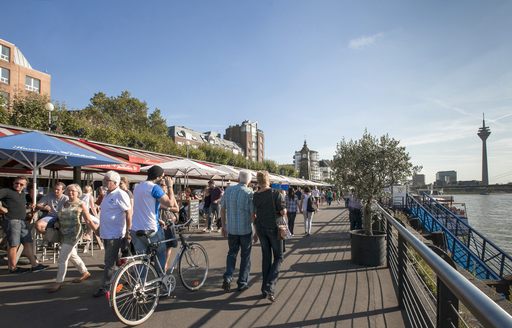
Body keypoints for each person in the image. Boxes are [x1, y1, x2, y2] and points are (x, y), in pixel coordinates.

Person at [130, 165, 179, 273]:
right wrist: (170, 186)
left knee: (142, 259)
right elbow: (170, 203)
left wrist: (157, 219)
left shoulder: (137, 187)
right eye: (162, 177)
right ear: (159, 177)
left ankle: (140, 285)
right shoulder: (154, 188)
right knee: (160, 254)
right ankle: (161, 280)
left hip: (135, 228)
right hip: (151, 229)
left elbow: (145, 207)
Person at [48, 184, 95, 292]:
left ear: (78, 193)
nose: (70, 193)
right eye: (69, 191)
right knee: (72, 255)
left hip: (73, 234)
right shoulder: (64, 203)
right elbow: (59, 217)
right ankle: (85, 272)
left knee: (62, 258)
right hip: (63, 233)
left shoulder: (81, 204)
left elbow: (88, 220)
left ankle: (58, 282)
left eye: (73, 191)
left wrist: (95, 231)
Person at [93, 171, 132, 297]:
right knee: (115, 261)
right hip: (106, 232)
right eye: (104, 180)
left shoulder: (121, 194)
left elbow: (128, 213)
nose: (104, 182)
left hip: (115, 233)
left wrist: (128, 231)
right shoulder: (107, 194)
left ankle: (106, 287)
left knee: (109, 262)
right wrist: (99, 228)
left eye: (107, 180)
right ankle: (126, 280)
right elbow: (103, 211)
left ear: (115, 183)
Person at [0, 176, 48, 273]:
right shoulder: (6, 191)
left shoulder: (22, 194)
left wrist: (30, 206)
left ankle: (34, 265)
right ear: (13, 182)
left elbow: (18, 205)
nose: (18, 185)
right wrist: (2, 210)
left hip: (22, 221)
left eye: (21, 184)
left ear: (25, 186)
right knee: (14, 244)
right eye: (16, 183)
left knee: (27, 242)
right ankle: (12, 268)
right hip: (12, 220)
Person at [253, 171, 286, 302]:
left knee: (266, 257)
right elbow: (283, 212)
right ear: (268, 180)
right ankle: (270, 286)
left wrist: (255, 231)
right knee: (279, 256)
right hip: (274, 227)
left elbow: (255, 213)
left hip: (260, 227)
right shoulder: (275, 193)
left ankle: (264, 289)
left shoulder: (255, 195)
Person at [220, 170, 254, 292]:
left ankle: (228, 277)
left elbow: (222, 209)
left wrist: (223, 226)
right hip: (245, 230)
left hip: (232, 229)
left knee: (232, 254)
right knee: (245, 257)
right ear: (249, 180)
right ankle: (242, 282)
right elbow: (252, 214)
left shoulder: (228, 191)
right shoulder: (250, 193)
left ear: (239, 178)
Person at [157, 181, 180, 272]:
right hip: (159, 223)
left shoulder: (169, 195)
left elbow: (177, 209)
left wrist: (165, 207)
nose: (163, 186)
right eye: (161, 185)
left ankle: (166, 264)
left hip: (168, 223)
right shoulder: (158, 195)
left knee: (169, 246)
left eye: (164, 185)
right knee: (161, 247)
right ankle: (161, 266)